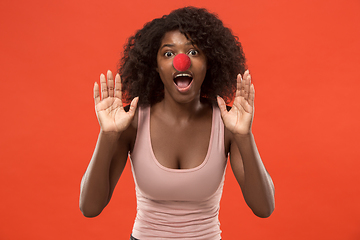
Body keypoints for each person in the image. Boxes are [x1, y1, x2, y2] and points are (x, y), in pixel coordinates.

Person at [79, 6, 275, 240]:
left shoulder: (227, 123)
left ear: (209, 62)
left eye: (193, 52)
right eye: (168, 54)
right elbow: (89, 208)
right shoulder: (132, 122)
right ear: (155, 66)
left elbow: (264, 208)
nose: (181, 62)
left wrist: (244, 136)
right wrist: (107, 135)